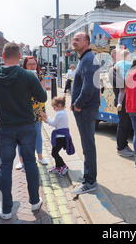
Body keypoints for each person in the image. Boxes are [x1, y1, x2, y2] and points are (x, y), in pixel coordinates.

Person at [0, 42, 47, 220]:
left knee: (5, 166)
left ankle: (6, 209)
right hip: (26, 125)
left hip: (6, 128)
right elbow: (43, 97)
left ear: (2, 56)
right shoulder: (28, 75)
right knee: (30, 162)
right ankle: (34, 201)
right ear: (20, 56)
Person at [70, 32, 100, 195]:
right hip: (84, 109)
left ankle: (90, 182)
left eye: (78, 39)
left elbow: (90, 87)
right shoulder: (85, 59)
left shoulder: (89, 59)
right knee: (87, 145)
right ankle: (89, 177)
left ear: (87, 42)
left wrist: (78, 105)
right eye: (73, 39)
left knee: (88, 146)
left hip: (85, 109)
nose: (74, 42)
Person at [15, 56, 48, 171]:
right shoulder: (20, 75)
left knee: (37, 133)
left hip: (38, 109)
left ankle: (40, 157)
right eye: (29, 64)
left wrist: (35, 80)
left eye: (34, 64)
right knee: (21, 135)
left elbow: (43, 92)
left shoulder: (40, 75)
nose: (32, 66)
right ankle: (21, 161)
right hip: (24, 109)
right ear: (25, 65)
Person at [41, 96, 75, 177]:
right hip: (61, 136)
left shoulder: (60, 114)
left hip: (61, 137)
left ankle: (63, 166)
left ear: (59, 105)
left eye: (54, 107)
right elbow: (55, 122)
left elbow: (53, 123)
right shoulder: (62, 113)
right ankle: (58, 167)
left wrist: (45, 118)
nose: (53, 109)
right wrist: (46, 118)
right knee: (55, 152)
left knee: (54, 153)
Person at [109, 49, 134, 157]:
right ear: (114, 57)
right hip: (122, 102)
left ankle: (124, 144)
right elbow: (121, 84)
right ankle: (121, 147)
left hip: (127, 100)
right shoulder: (113, 70)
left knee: (127, 124)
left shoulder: (121, 68)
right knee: (123, 124)